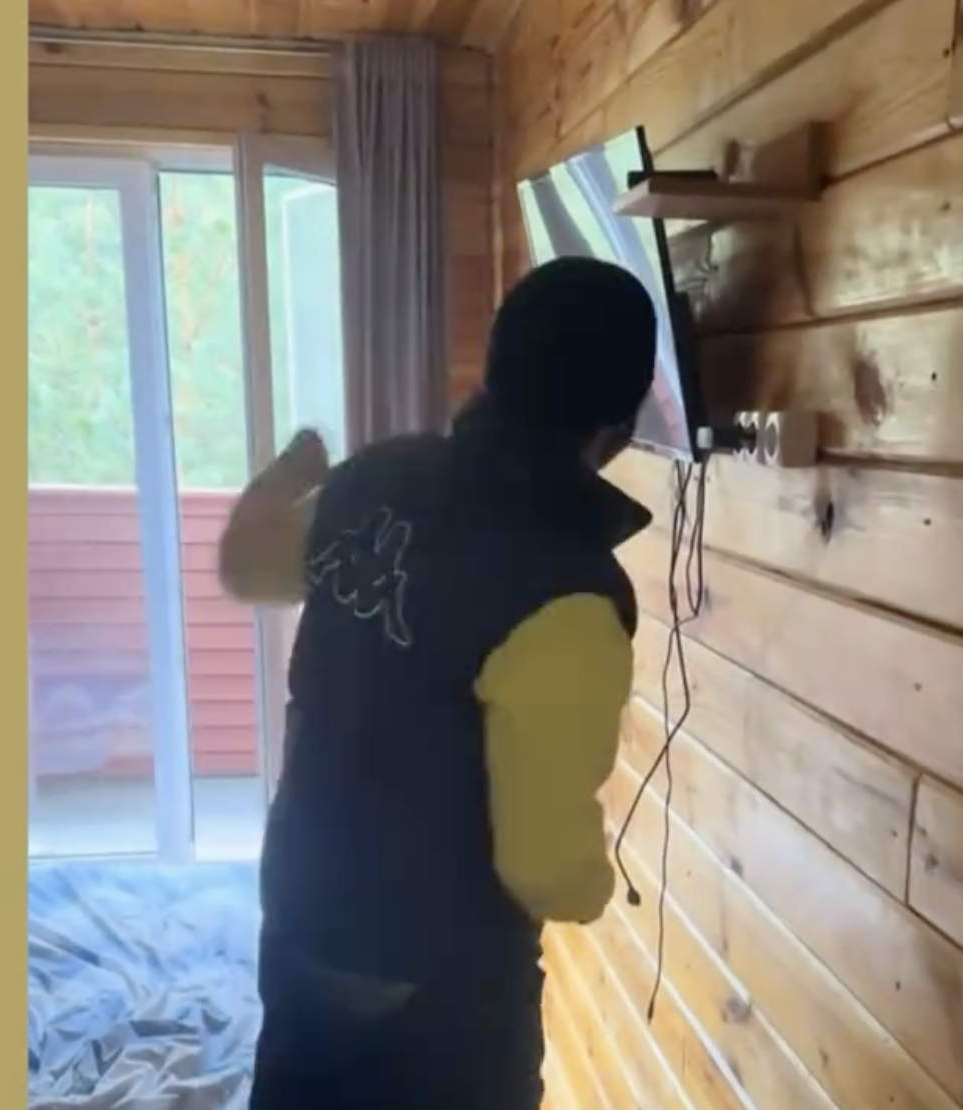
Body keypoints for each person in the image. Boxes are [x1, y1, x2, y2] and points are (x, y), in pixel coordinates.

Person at [219, 256, 659, 1110]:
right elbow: (544, 869)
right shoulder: (570, 591)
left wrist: (293, 469)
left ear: (494, 369)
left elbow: (247, 564)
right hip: (437, 987)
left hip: (302, 906)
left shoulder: (374, 480)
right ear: (618, 425)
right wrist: (596, 888)